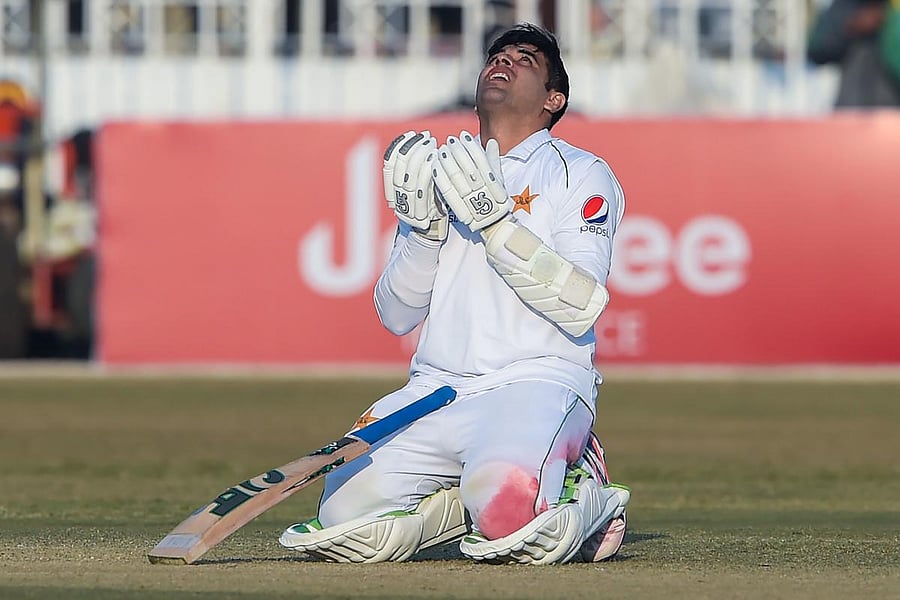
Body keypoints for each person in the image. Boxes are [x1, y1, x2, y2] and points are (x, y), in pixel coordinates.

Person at [280, 22, 629, 565]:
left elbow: (583, 302)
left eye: (526, 60)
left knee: (512, 515)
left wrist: (496, 226)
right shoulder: (440, 173)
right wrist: (421, 234)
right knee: (340, 516)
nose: (504, 61)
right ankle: (456, 500)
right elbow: (396, 315)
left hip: (535, 382)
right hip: (436, 388)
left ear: (554, 99)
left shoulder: (581, 173)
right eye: (498, 54)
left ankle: (582, 477)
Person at [808, 0, 900, 107]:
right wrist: (850, 27)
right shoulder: (845, 5)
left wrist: (889, 24)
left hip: (890, 108)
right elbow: (817, 49)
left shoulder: (894, 8)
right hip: (850, 108)